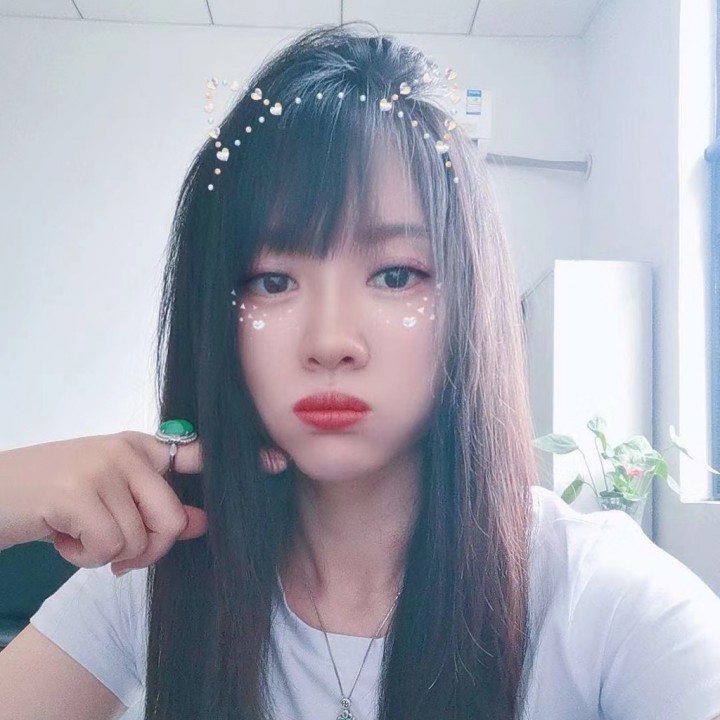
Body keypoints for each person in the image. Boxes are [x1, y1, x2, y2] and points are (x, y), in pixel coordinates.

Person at [0, 22, 719, 720]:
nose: (330, 341)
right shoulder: (161, 573)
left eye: (396, 275)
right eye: (273, 282)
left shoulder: (600, 598)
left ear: (468, 304)